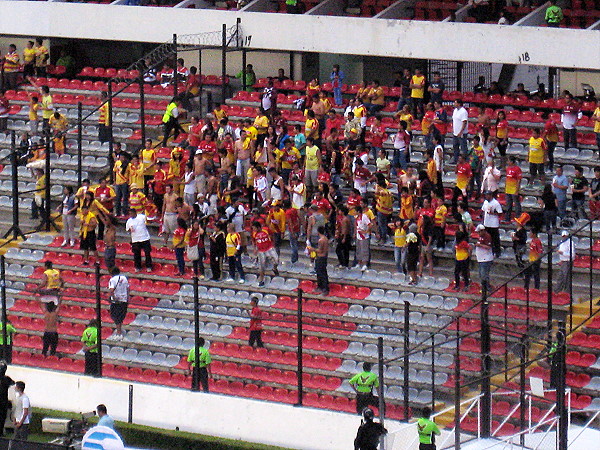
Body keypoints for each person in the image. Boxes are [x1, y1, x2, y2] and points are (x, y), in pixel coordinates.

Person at [251, 221, 279, 287]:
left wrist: (273, 243)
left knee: (276, 260)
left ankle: (274, 268)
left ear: (258, 227)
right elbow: (253, 241)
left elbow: (272, 235)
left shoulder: (266, 230)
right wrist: (255, 249)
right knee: (262, 266)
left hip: (269, 247)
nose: (254, 230)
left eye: (254, 228)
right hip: (261, 250)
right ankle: (261, 280)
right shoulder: (254, 234)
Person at [126, 208, 153, 273]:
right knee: (136, 254)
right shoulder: (129, 221)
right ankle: (138, 267)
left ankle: (149, 266)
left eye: (131, 213)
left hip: (144, 238)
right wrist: (131, 229)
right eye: (129, 214)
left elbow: (148, 221)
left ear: (135, 213)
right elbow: (127, 229)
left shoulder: (142, 217)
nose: (130, 215)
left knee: (147, 253)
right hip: (135, 239)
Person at [108, 267, 129, 339]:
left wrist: (113, 298)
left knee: (115, 316)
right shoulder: (124, 278)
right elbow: (128, 288)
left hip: (116, 301)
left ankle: (119, 332)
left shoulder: (112, 280)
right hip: (124, 299)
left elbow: (111, 290)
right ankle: (119, 331)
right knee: (121, 315)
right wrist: (127, 297)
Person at [308, 226, 329, 295]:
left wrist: (312, 249)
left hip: (320, 257)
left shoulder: (321, 240)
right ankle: (324, 287)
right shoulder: (326, 239)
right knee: (323, 272)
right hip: (324, 257)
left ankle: (322, 287)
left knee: (320, 273)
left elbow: (320, 250)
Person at [482, 190, 502, 257]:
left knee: (495, 239)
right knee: (487, 238)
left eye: (487, 195)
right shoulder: (485, 202)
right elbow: (483, 210)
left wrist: (493, 213)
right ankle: (488, 251)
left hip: (493, 224)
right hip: (486, 222)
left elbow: (500, 213)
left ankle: (497, 252)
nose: (486, 196)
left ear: (491, 195)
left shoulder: (496, 203)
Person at [475, 224, 494, 295]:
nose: (478, 233)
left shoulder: (487, 236)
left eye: (479, 232)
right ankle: (484, 287)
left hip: (486, 259)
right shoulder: (480, 237)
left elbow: (488, 247)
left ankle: (487, 288)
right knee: (481, 274)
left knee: (484, 274)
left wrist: (479, 245)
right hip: (481, 259)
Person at [0, 362, 14, 437]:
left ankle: (1, 431)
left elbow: (13, 384)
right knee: (2, 417)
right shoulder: (6, 379)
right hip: (3, 401)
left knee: (2, 417)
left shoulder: (6, 379)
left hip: (3, 401)